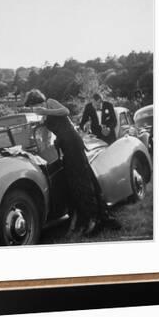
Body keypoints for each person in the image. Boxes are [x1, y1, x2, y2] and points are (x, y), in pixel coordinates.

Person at [25, 89, 105, 235]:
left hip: (73, 142)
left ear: (37, 101)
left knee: (82, 179)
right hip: (65, 146)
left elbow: (65, 111)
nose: (34, 110)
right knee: (74, 182)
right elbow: (47, 134)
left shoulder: (49, 102)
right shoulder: (44, 115)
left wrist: (45, 111)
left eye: (33, 106)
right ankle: (84, 218)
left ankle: (94, 218)